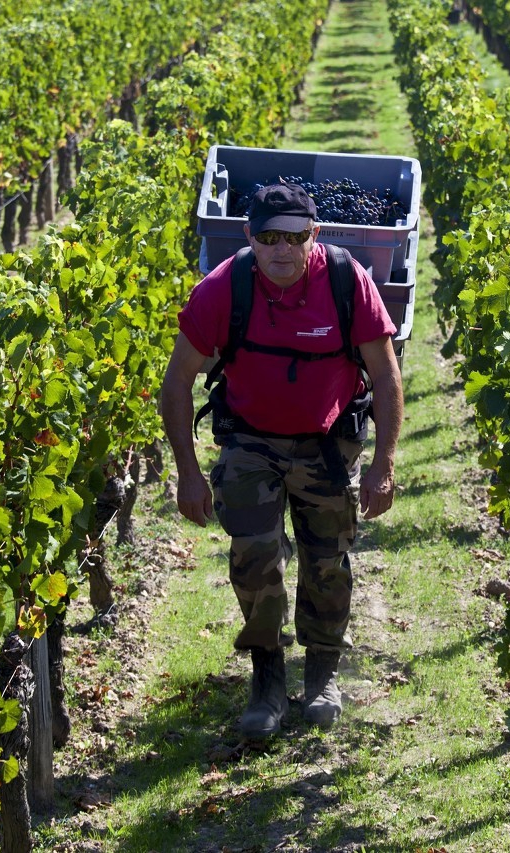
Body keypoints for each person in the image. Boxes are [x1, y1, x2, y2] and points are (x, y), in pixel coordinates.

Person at [160, 183, 404, 739]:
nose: (281, 250)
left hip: (325, 445)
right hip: (250, 444)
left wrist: (382, 466)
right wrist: (188, 472)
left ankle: (321, 671)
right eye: (268, 237)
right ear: (250, 237)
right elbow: (176, 384)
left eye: (294, 238)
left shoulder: (347, 282)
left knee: (327, 561)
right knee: (255, 558)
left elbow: (387, 377)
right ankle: (266, 675)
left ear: (313, 236)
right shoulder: (224, 289)